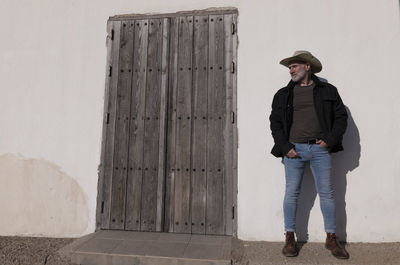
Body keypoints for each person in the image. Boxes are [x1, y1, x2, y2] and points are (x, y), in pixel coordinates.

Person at [269, 50, 349, 259]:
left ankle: (332, 238)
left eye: (294, 66)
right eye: (289, 67)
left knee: (327, 194)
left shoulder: (328, 91)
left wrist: (329, 141)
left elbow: (341, 117)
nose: (290, 70)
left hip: (320, 150)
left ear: (307, 66)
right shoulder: (283, 94)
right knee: (291, 193)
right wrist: (285, 147)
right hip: (293, 150)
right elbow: (275, 123)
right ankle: (289, 237)